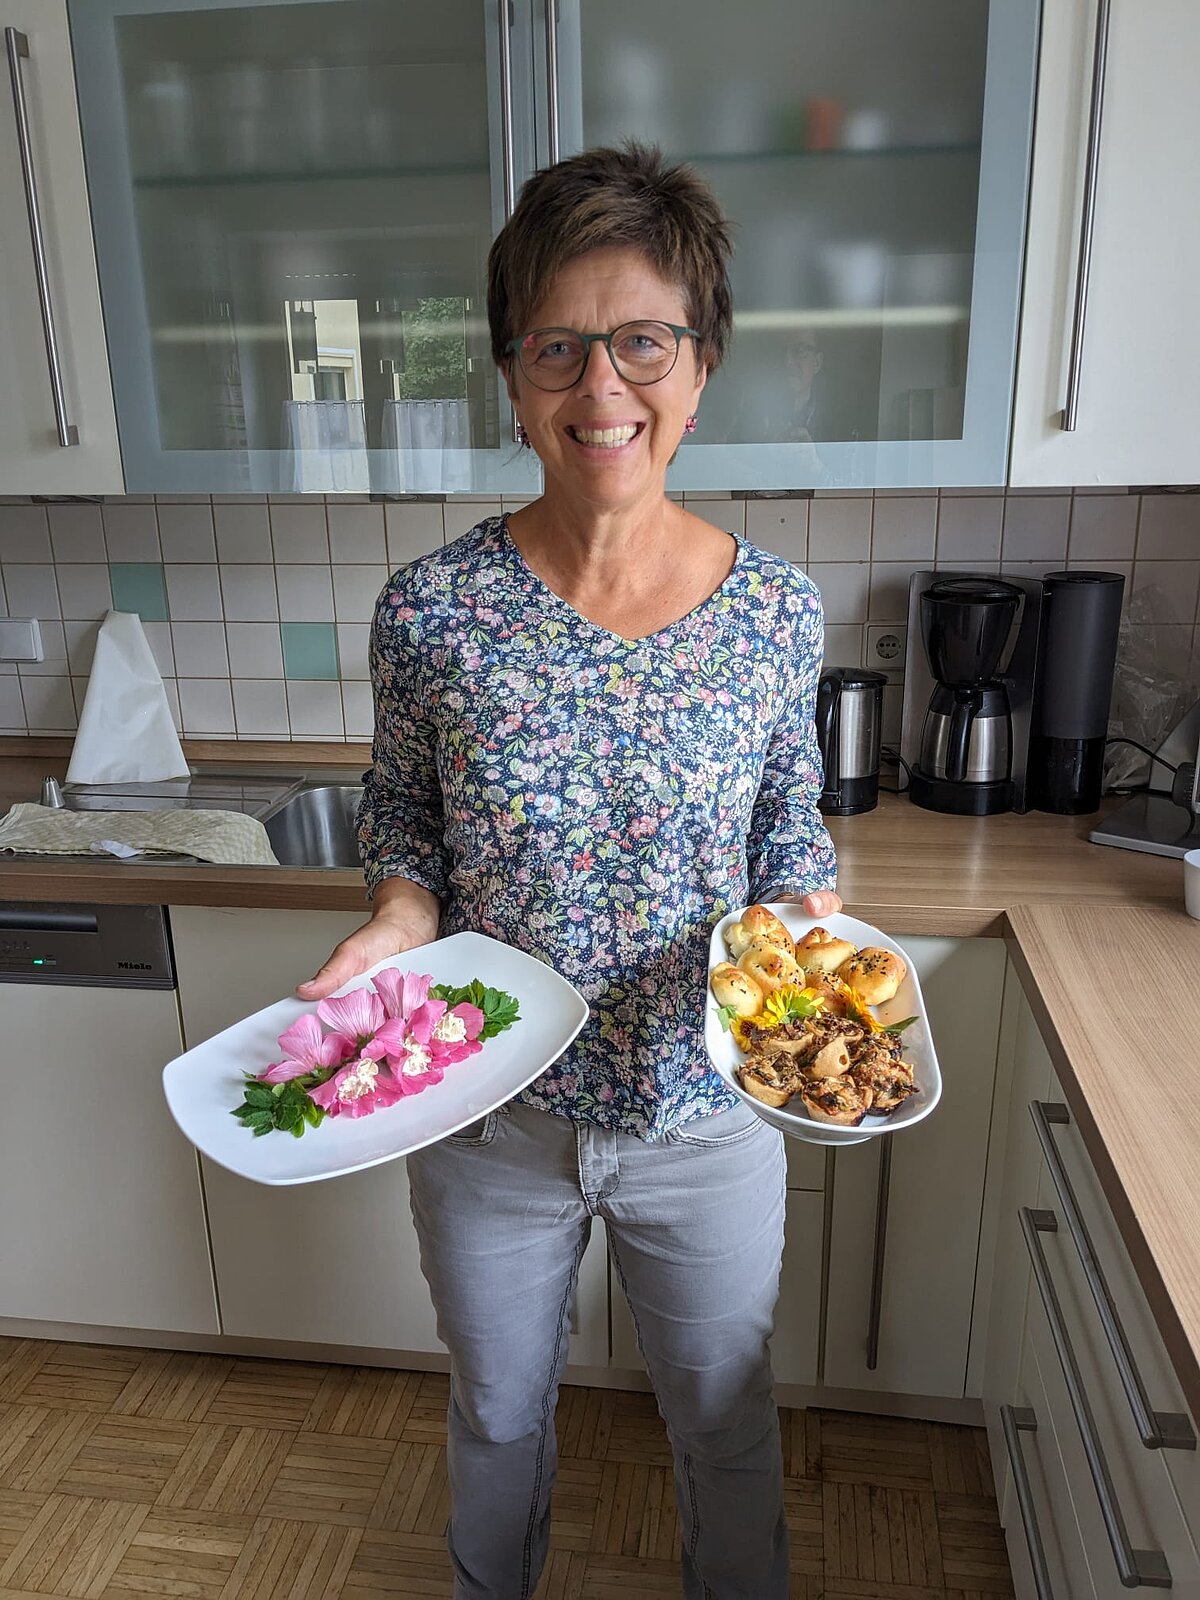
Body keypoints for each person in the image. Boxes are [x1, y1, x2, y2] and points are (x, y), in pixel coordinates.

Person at [298, 142, 841, 1600]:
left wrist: (807, 922)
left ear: (701, 363)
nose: (602, 386)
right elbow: (407, 827)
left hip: (704, 1104)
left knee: (724, 1422)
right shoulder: (431, 612)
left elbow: (792, 822)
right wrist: (393, 921)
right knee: (494, 1414)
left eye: (642, 339)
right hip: (487, 1111)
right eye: (559, 346)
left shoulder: (778, 612)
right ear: (513, 374)